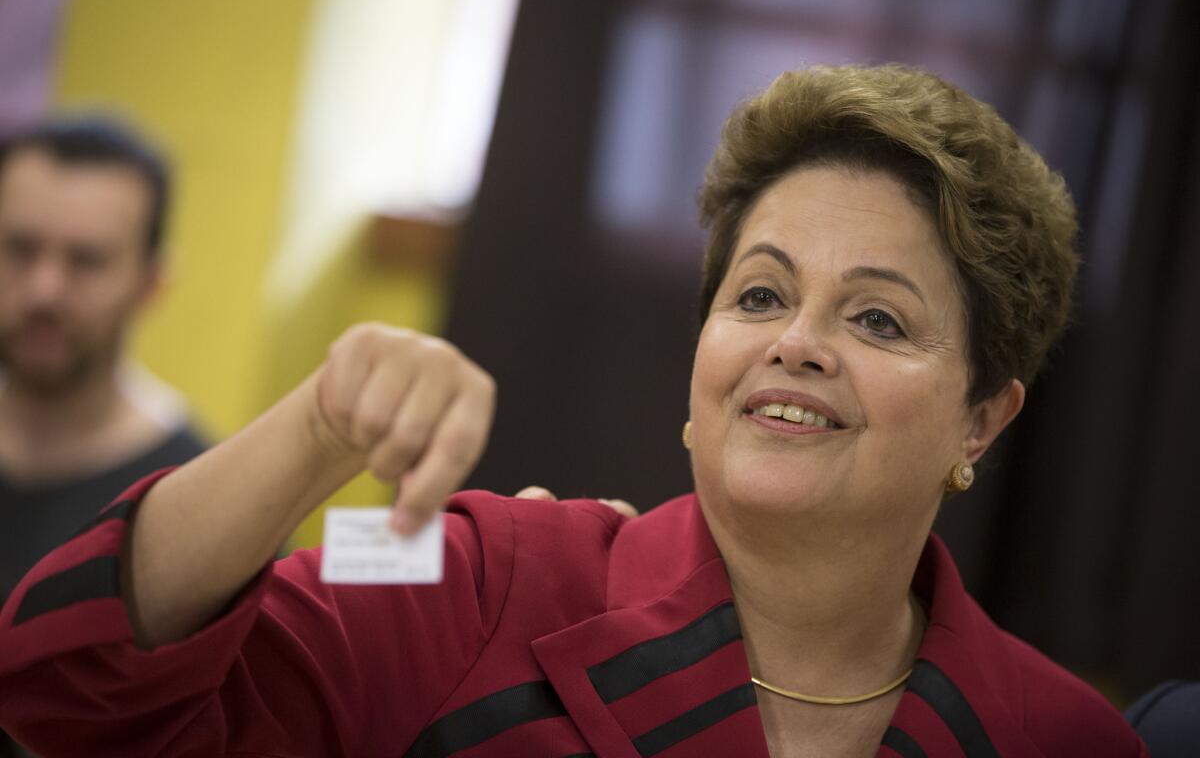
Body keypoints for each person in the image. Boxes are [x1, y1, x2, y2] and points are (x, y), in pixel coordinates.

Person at [0, 66, 1147, 757]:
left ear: (982, 420)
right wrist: (318, 428)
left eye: (880, 320)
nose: (797, 341)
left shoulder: (1069, 735)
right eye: (761, 294)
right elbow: (62, 681)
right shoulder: (475, 561)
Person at [0, 117, 206, 606]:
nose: (44, 290)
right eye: (20, 249)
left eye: (87, 260)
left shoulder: (192, 498)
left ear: (151, 282)